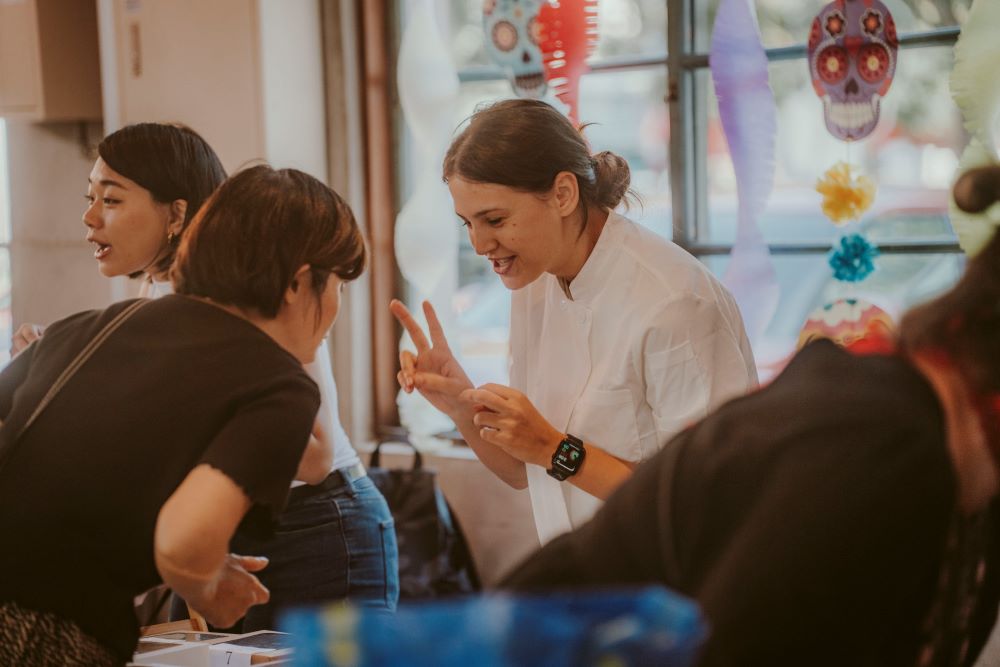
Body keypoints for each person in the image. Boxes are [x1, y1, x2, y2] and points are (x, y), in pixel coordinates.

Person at [500, 169, 1000, 666]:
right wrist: (551, 448)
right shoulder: (875, 447)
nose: (484, 243)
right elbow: (737, 643)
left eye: (494, 220)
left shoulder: (910, 425)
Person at [16, 123, 399, 628]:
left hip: (311, 523)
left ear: (177, 213)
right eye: (91, 198)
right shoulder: (161, 305)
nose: (89, 219)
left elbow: (312, 455)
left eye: (110, 200)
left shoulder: (250, 307)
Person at [391, 99, 757, 545]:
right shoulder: (534, 277)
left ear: (563, 194)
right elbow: (526, 471)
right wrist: (461, 405)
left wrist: (554, 448)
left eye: (495, 219)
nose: (480, 243)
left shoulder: (675, 302)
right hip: (584, 573)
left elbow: (704, 501)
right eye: (467, 222)